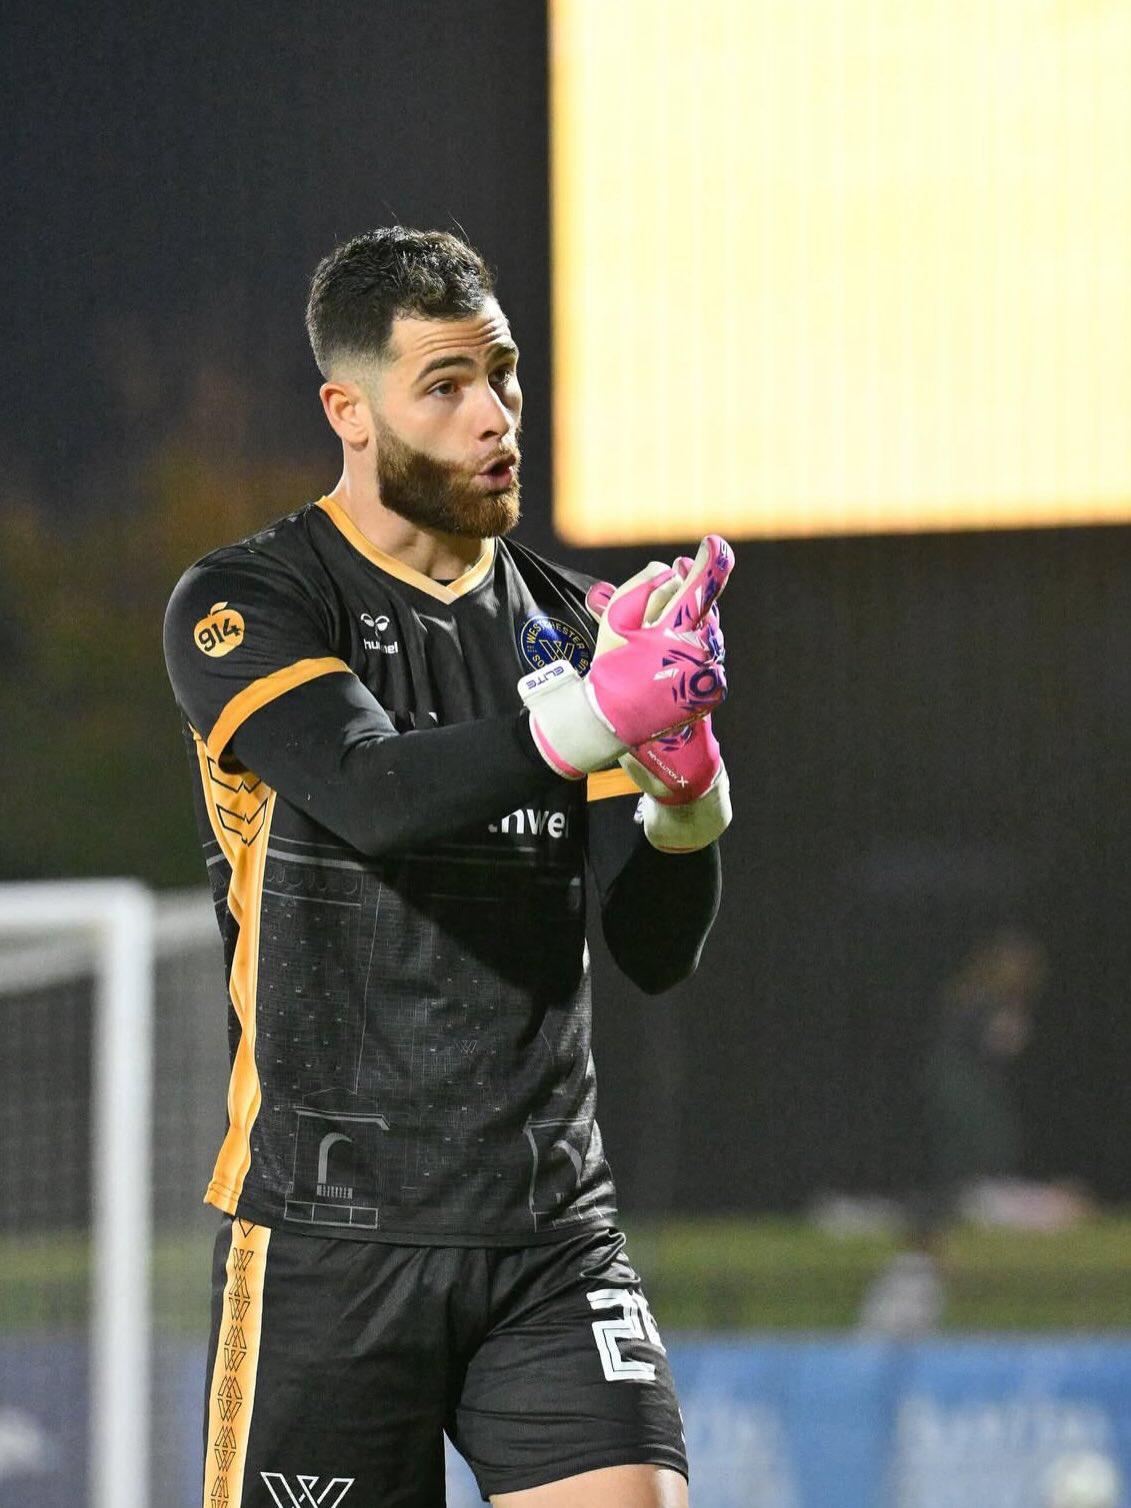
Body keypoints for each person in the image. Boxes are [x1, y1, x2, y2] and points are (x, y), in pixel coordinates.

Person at [163, 227, 732, 1508]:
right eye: (446, 385)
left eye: (506, 375)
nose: (495, 415)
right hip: (328, 1240)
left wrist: (688, 794)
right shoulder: (252, 598)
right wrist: (598, 718)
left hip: (550, 1233)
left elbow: (649, 948)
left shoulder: (569, 627)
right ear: (349, 412)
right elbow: (375, 795)